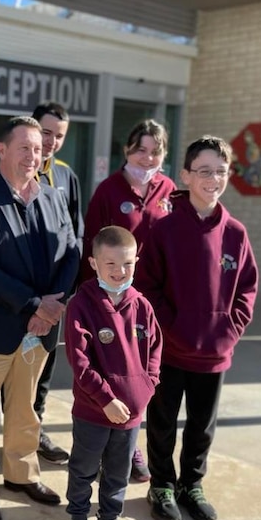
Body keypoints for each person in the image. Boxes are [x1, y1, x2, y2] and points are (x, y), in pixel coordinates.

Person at [0, 116, 79, 520]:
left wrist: (54, 305)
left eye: (39, 148)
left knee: (26, 408)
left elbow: (72, 251)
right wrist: (35, 306)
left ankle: (21, 475)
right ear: (2, 150)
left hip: (40, 328)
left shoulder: (52, 197)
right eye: (24, 147)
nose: (33, 155)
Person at [136, 135, 258, 520]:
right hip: (170, 350)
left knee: (202, 427)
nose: (213, 179)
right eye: (204, 171)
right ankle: (162, 485)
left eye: (220, 171)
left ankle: (192, 484)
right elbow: (148, 286)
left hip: (214, 352)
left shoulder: (236, 233)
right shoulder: (164, 229)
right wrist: (173, 329)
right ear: (186, 175)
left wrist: (228, 330)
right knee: (163, 421)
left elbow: (247, 290)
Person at [80, 118, 176, 483]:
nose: (148, 157)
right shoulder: (109, 190)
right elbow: (92, 244)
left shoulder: (169, 190)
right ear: (127, 150)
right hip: (114, 298)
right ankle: (112, 445)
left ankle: (131, 442)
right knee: (112, 371)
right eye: (141, 149)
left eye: (156, 151)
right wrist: (92, 300)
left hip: (153, 302)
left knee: (143, 373)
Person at [64, 226, 161, 520]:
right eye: (111, 265)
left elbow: (155, 353)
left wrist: (147, 387)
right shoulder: (82, 305)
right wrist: (105, 400)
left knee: (118, 473)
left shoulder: (142, 306)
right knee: (83, 469)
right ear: (93, 263)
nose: (120, 273)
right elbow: (80, 363)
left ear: (137, 261)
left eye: (128, 264)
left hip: (132, 416)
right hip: (94, 412)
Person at [30, 101, 84, 465]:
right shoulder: (14, 169)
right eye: (46, 132)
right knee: (15, 370)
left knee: (45, 368)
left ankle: (35, 430)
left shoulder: (66, 176)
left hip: (56, 295)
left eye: (59, 136)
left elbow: (76, 238)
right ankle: (14, 432)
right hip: (20, 297)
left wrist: (63, 295)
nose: (51, 142)